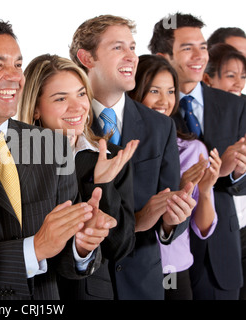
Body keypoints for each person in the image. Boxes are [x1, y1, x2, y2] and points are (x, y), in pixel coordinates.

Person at [0, 16, 116, 300]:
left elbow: (65, 259)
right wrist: (34, 249)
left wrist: (81, 245)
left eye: (17, 64)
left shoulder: (51, 145)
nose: (15, 76)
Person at [69, 14, 196, 300]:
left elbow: (170, 207)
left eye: (133, 48)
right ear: (86, 58)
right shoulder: (66, 120)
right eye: (118, 48)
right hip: (85, 284)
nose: (131, 57)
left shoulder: (160, 126)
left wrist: (171, 220)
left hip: (144, 283)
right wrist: (136, 220)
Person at [18, 54, 138, 300]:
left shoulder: (109, 156)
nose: (78, 107)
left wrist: (102, 184)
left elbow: (120, 247)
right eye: (61, 98)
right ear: (36, 108)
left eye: (81, 94)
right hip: (34, 294)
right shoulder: (13, 158)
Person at [149, 12, 246, 299]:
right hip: (165, 248)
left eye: (202, 47)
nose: (199, 55)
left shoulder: (235, 106)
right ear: (164, 55)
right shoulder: (151, 106)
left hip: (221, 248)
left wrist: (232, 171)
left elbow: (241, 186)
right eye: (187, 47)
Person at [129, 54, 220, 299]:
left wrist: (204, 189)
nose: (164, 101)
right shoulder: (120, 147)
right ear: (134, 92)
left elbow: (202, 229)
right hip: (130, 267)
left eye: (171, 92)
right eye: (154, 91)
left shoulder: (193, 150)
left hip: (174, 268)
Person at [202, 43, 246, 299]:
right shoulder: (185, 108)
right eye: (230, 75)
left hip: (234, 231)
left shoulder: (241, 110)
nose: (238, 83)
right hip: (203, 236)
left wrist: (236, 172)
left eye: (242, 76)